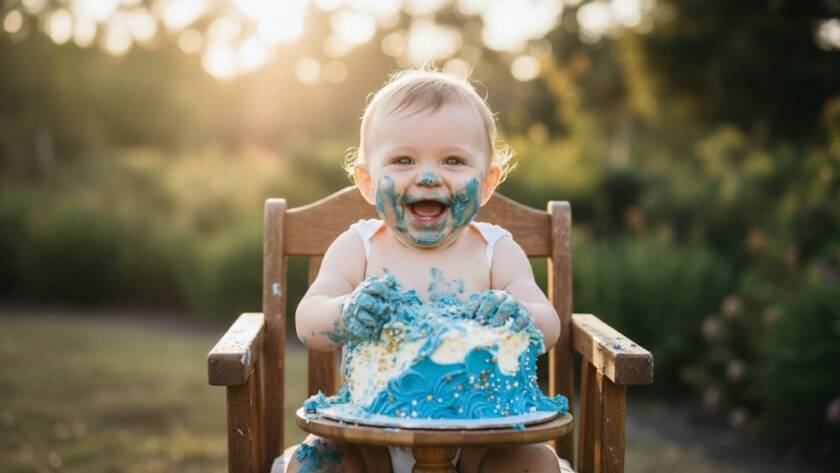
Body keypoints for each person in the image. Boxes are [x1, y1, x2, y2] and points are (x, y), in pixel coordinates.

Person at [285, 68, 569, 473]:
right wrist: (346, 312)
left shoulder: (496, 251)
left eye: (453, 160)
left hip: (484, 439)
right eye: (403, 160)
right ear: (367, 182)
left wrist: (519, 315)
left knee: (536, 464)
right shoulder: (359, 247)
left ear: (487, 184)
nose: (429, 175)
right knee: (314, 462)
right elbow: (307, 319)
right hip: (369, 436)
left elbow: (549, 324)